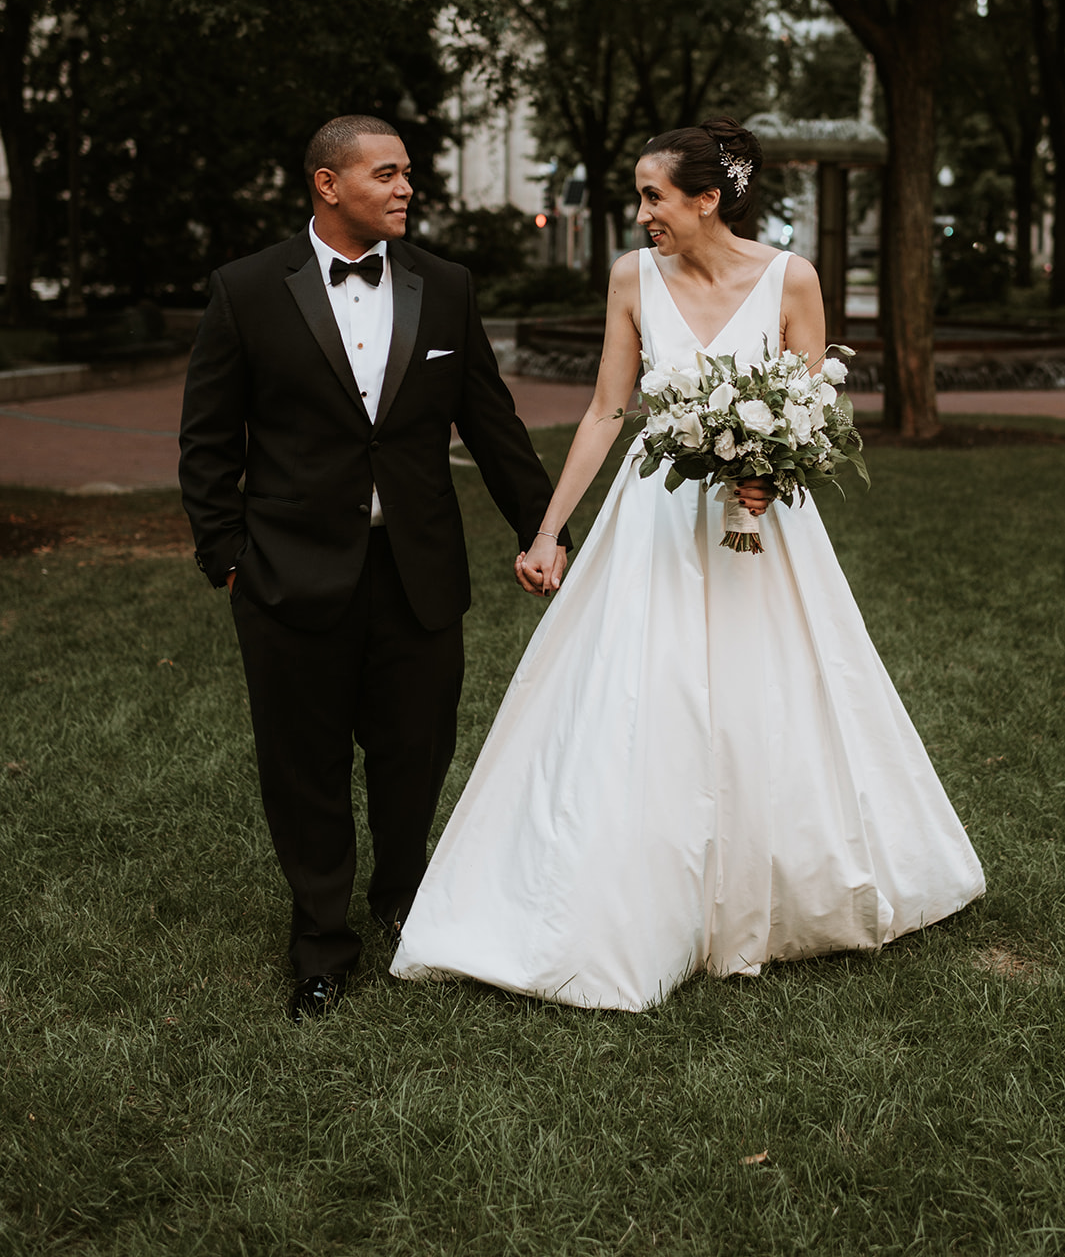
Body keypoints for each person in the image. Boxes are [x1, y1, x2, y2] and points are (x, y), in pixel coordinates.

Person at [391, 117, 985, 1012]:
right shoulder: (632, 278)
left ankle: (782, 882)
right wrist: (548, 530)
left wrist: (771, 473)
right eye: (640, 197)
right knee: (642, 690)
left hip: (760, 524)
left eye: (653, 196)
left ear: (708, 198)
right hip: (654, 520)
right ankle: (626, 897)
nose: (642, 214)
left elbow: (816, 409)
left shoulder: (790, 279)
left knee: (770, 689)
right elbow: (606, 410)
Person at [178, 114, 568, 1023]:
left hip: (416, 572)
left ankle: (404, 905)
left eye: (407, 174)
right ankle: (320, 942)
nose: (405, 189)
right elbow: (207, 440)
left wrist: (544, 528)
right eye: (385, 174)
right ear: (328, 184)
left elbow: (492, 423)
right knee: (303, 765)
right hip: (286, 575)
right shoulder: (246, 290)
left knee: (414, 753)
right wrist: (228, 561)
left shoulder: (445, 285)